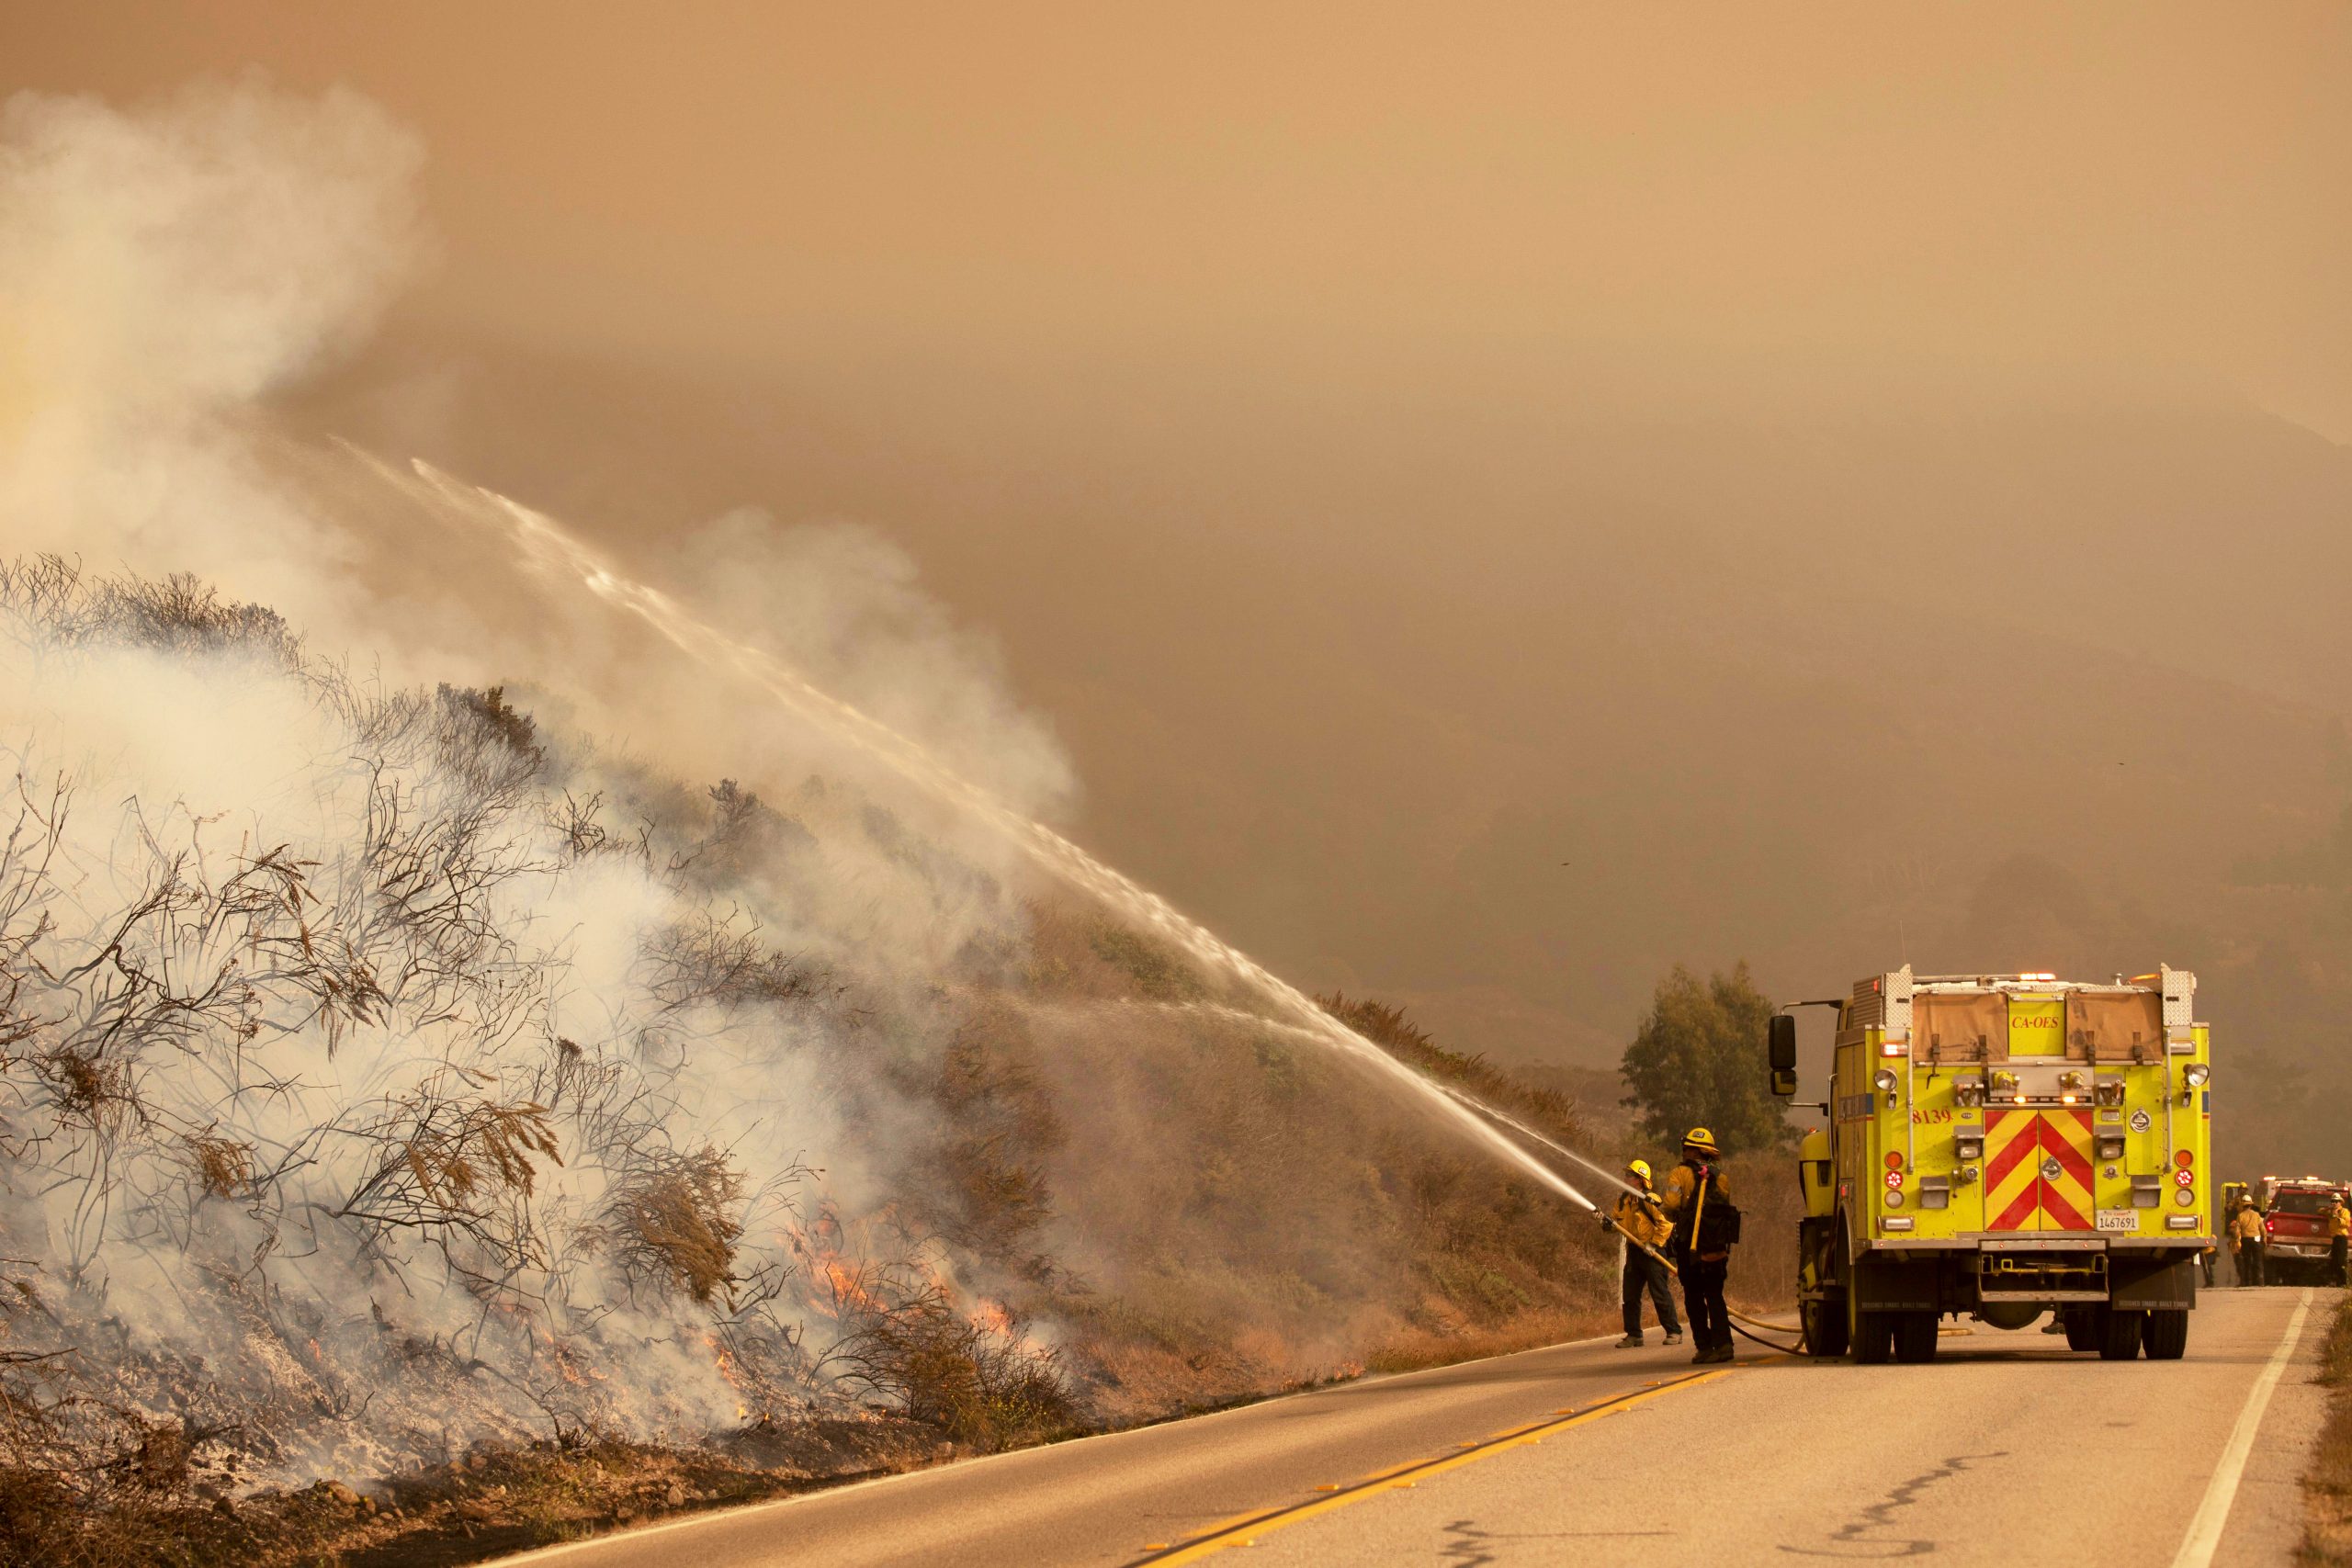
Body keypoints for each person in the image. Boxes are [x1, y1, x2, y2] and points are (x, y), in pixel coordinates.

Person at [1660, 1127, 1736, 1364]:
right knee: (1715, 1295)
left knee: (1693, 1297)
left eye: (1685, 1148)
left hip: (1689, 1246)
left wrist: (1665, 1211)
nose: (1683, 1152)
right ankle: (1725, 1346)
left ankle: (1704, 1348)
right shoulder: (1721, 1177)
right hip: (1715, 1247)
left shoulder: (1679, 1174)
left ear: (1692, 1151)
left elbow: (1671, 1205)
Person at [1601, 1158, 1682, 1348]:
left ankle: (1674, 1332)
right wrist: (1606, 1225)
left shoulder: (1650, 1200)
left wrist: (1653, 1244)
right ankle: (1634, 1335)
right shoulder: (1623, 1201)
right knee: (1629, 1295)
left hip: (1653, 1252)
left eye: (1629, 1175)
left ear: (1639, 1180)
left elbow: (1667, 1224)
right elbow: (1618, 1223)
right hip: (1635, 1252)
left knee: (1660, 1293)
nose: (1625, 1178)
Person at [2230, 1197, 2267, 1288]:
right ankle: (2260, 1282)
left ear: (2242, 1205)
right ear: (2251, 1204)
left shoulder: (2240, 1215)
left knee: (2247, 1262)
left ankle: (2246, 1282)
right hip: (2256, 1240)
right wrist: (2264, 1239)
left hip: (2245, 1240)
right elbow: (2262, 1229)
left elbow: (2237, 1231)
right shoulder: (2256, 1215)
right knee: (2258, 1261)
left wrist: (2237, 1240)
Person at [2330, 1194, 2349, 1288]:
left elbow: (2347, 1224)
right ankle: (2335, 1281)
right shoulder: (2330, 1211)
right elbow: (2319, 1211)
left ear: (2340, 1202)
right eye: (2332, 1201)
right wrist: (2329, 1211)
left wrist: (2338, 1217)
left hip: (2342, 1238)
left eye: (2336, 1201)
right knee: (2334, 1260)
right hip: (2335, 1238)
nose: (2334, 1203)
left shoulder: (2344, 1211)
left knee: (2341, 1260)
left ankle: (2344, 1282)